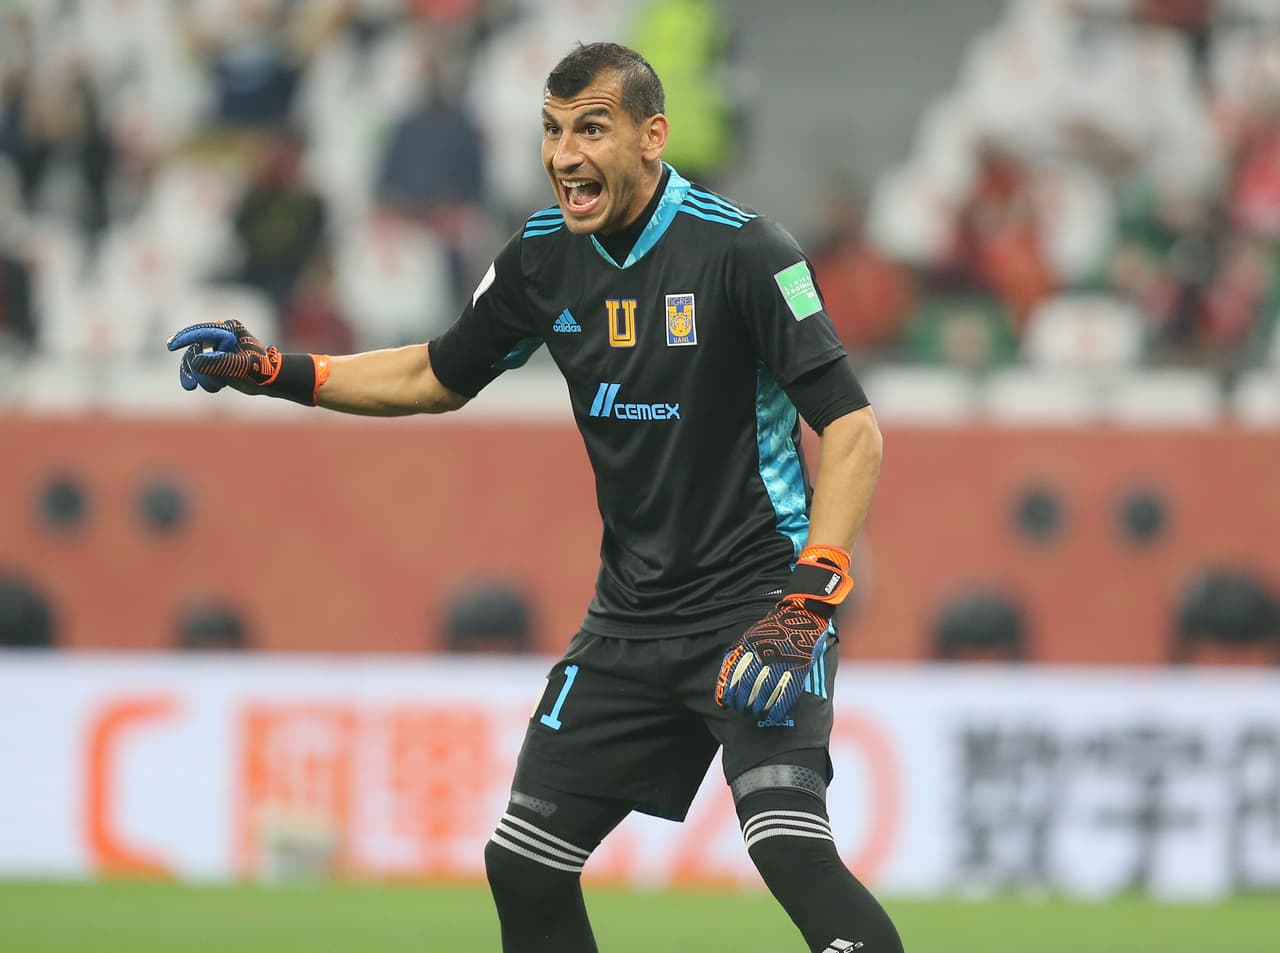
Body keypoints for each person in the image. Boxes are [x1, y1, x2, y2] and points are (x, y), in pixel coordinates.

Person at [167, 42, 899, 953]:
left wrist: (809, 597)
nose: (564, 155)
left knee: (788, 849)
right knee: (524, 864)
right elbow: (434, 373)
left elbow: (854, 430)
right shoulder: (542, 259)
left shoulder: (745, 252)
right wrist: (278, 370)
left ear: (651, 137)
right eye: (552, 131)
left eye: (591, 128)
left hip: (757, 611)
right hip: (630, 621)